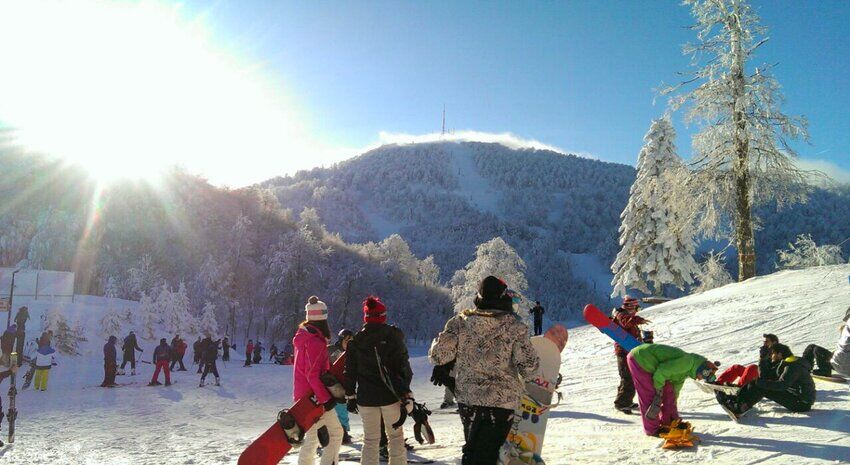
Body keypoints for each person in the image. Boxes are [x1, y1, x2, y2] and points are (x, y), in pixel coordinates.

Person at [429, 276, 540, 465]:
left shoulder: (459, 322)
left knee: (474, 449)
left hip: (468, 400)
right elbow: (529, 369)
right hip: (502, 402)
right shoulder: (515, 327)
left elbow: (438, 356)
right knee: (488, 454)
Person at [345, 296, 414, 465]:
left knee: (370, 441)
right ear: (383, 316)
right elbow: (404, 367)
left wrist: (350, 396)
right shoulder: (393, 336)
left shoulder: (355, 341)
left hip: (366, 397)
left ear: (366, 317)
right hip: (391, 396)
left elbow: (350, 372)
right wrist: (406, 391)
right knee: (396, 438)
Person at [627, 342, 718, 437]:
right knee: (649, 395)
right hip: (640, 359)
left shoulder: (687, 370)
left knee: (670, 394)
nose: (700, 379)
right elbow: (661, 372)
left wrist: (673, 399)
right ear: (703, 370)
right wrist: (658, 390)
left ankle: (671, 421)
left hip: (652, 363)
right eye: (703, 377)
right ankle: (652, 429)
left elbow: (675, 389)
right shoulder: (687, 362)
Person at [294, 296, 344, 465]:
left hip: (305, 395)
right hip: (314, 396)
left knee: (313, 436)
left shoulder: (305, 337)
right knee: (336, 433)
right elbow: (312, 374)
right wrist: (326, 400)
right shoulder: (315, 342)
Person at [716, 343, 816, 420]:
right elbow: (764, 377)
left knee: (762, 386)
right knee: (758, 382)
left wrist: (760, 383)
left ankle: (739, 408)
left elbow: (782, 385)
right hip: (796, 397)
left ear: (779, 354)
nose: (771, 356)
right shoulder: (784, 363)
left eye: (772, 353)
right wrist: (762, 359)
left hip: (801, 403)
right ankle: (736, 401)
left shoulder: (793, 366)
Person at [612, 296, 647, 414]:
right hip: (623, 352)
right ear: (632, 307)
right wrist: (638, 320)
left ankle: (625, 401)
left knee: (631, 377)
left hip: (629, 350)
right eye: (637, 307)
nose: (637, 310)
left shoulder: (625, 315)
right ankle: (621, 403)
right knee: (627, 377)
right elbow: (626, 323)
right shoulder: (621, 315)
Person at [328, 328, 354, 445]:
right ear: (341, 340)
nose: (349, 343)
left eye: (351, 341)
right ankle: (336, 431)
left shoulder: (351, 353)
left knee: (342, 410)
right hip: (331, 385)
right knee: (333, 410)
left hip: (342, 387)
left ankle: (343, 430)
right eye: (346, 340)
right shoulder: (333, 350)